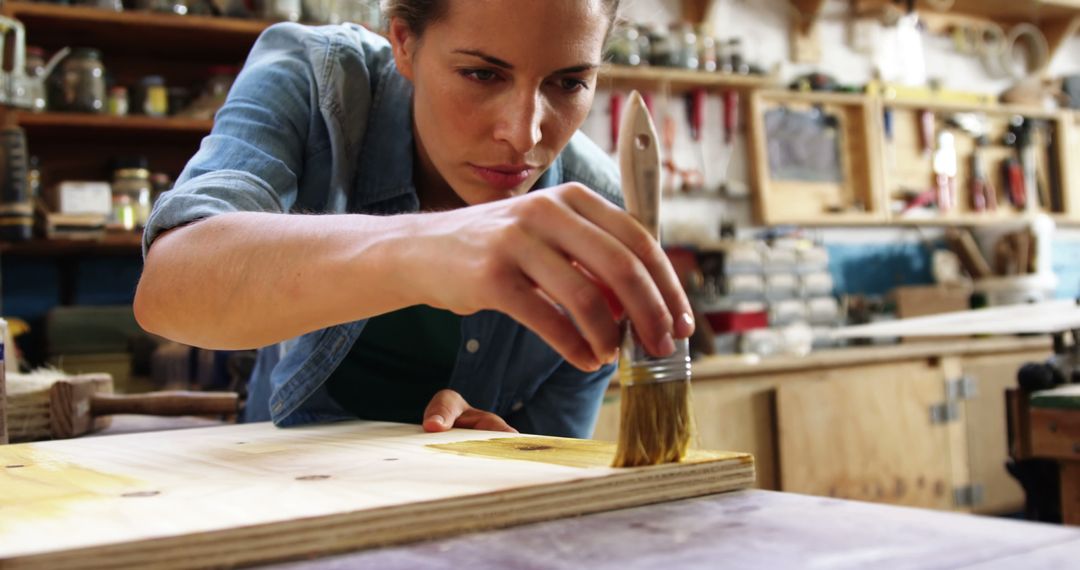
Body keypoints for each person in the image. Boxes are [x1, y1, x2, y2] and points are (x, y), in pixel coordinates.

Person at [133, 0, 694, 439]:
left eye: (569, 83)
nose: (524, 134)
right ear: (403, 41)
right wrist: (425, 247)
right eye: (481, 74)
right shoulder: (318, 81)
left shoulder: (599, 216)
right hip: (269, 495)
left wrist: (501, 450)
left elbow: (552, 457)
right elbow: (169, 287)